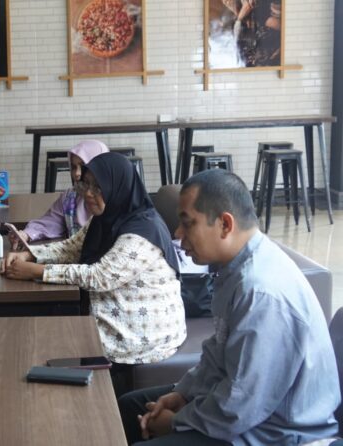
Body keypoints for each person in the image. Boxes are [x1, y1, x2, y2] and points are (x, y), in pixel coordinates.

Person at [118, 169, 340, 445]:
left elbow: (241, 404)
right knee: (128, 407)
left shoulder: (261, 293)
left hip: (275, 433)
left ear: (225, 224)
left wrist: (176, 422)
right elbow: (218, 352)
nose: (178, 233)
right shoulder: (233, 268)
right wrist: (183, 393)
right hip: (243, 412)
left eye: (187, 223)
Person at [0, 153, 186, 368]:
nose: (88, 193)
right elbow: (72, 247)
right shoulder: (105, 216)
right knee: (40, 333)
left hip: (143, 333)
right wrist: (29, 254)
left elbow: (99, 276)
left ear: (118, 187)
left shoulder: (142, 231)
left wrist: (36, 271)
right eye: (86, 184)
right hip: (109, 309)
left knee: (46, 339)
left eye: (98, 187)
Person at [8, 140, 109, 250]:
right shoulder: (70, 198)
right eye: (74, 167)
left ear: (100, 166)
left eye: (83, 166)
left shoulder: (114, 199)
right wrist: (26, 234)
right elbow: (50, 222)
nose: (77, 173)